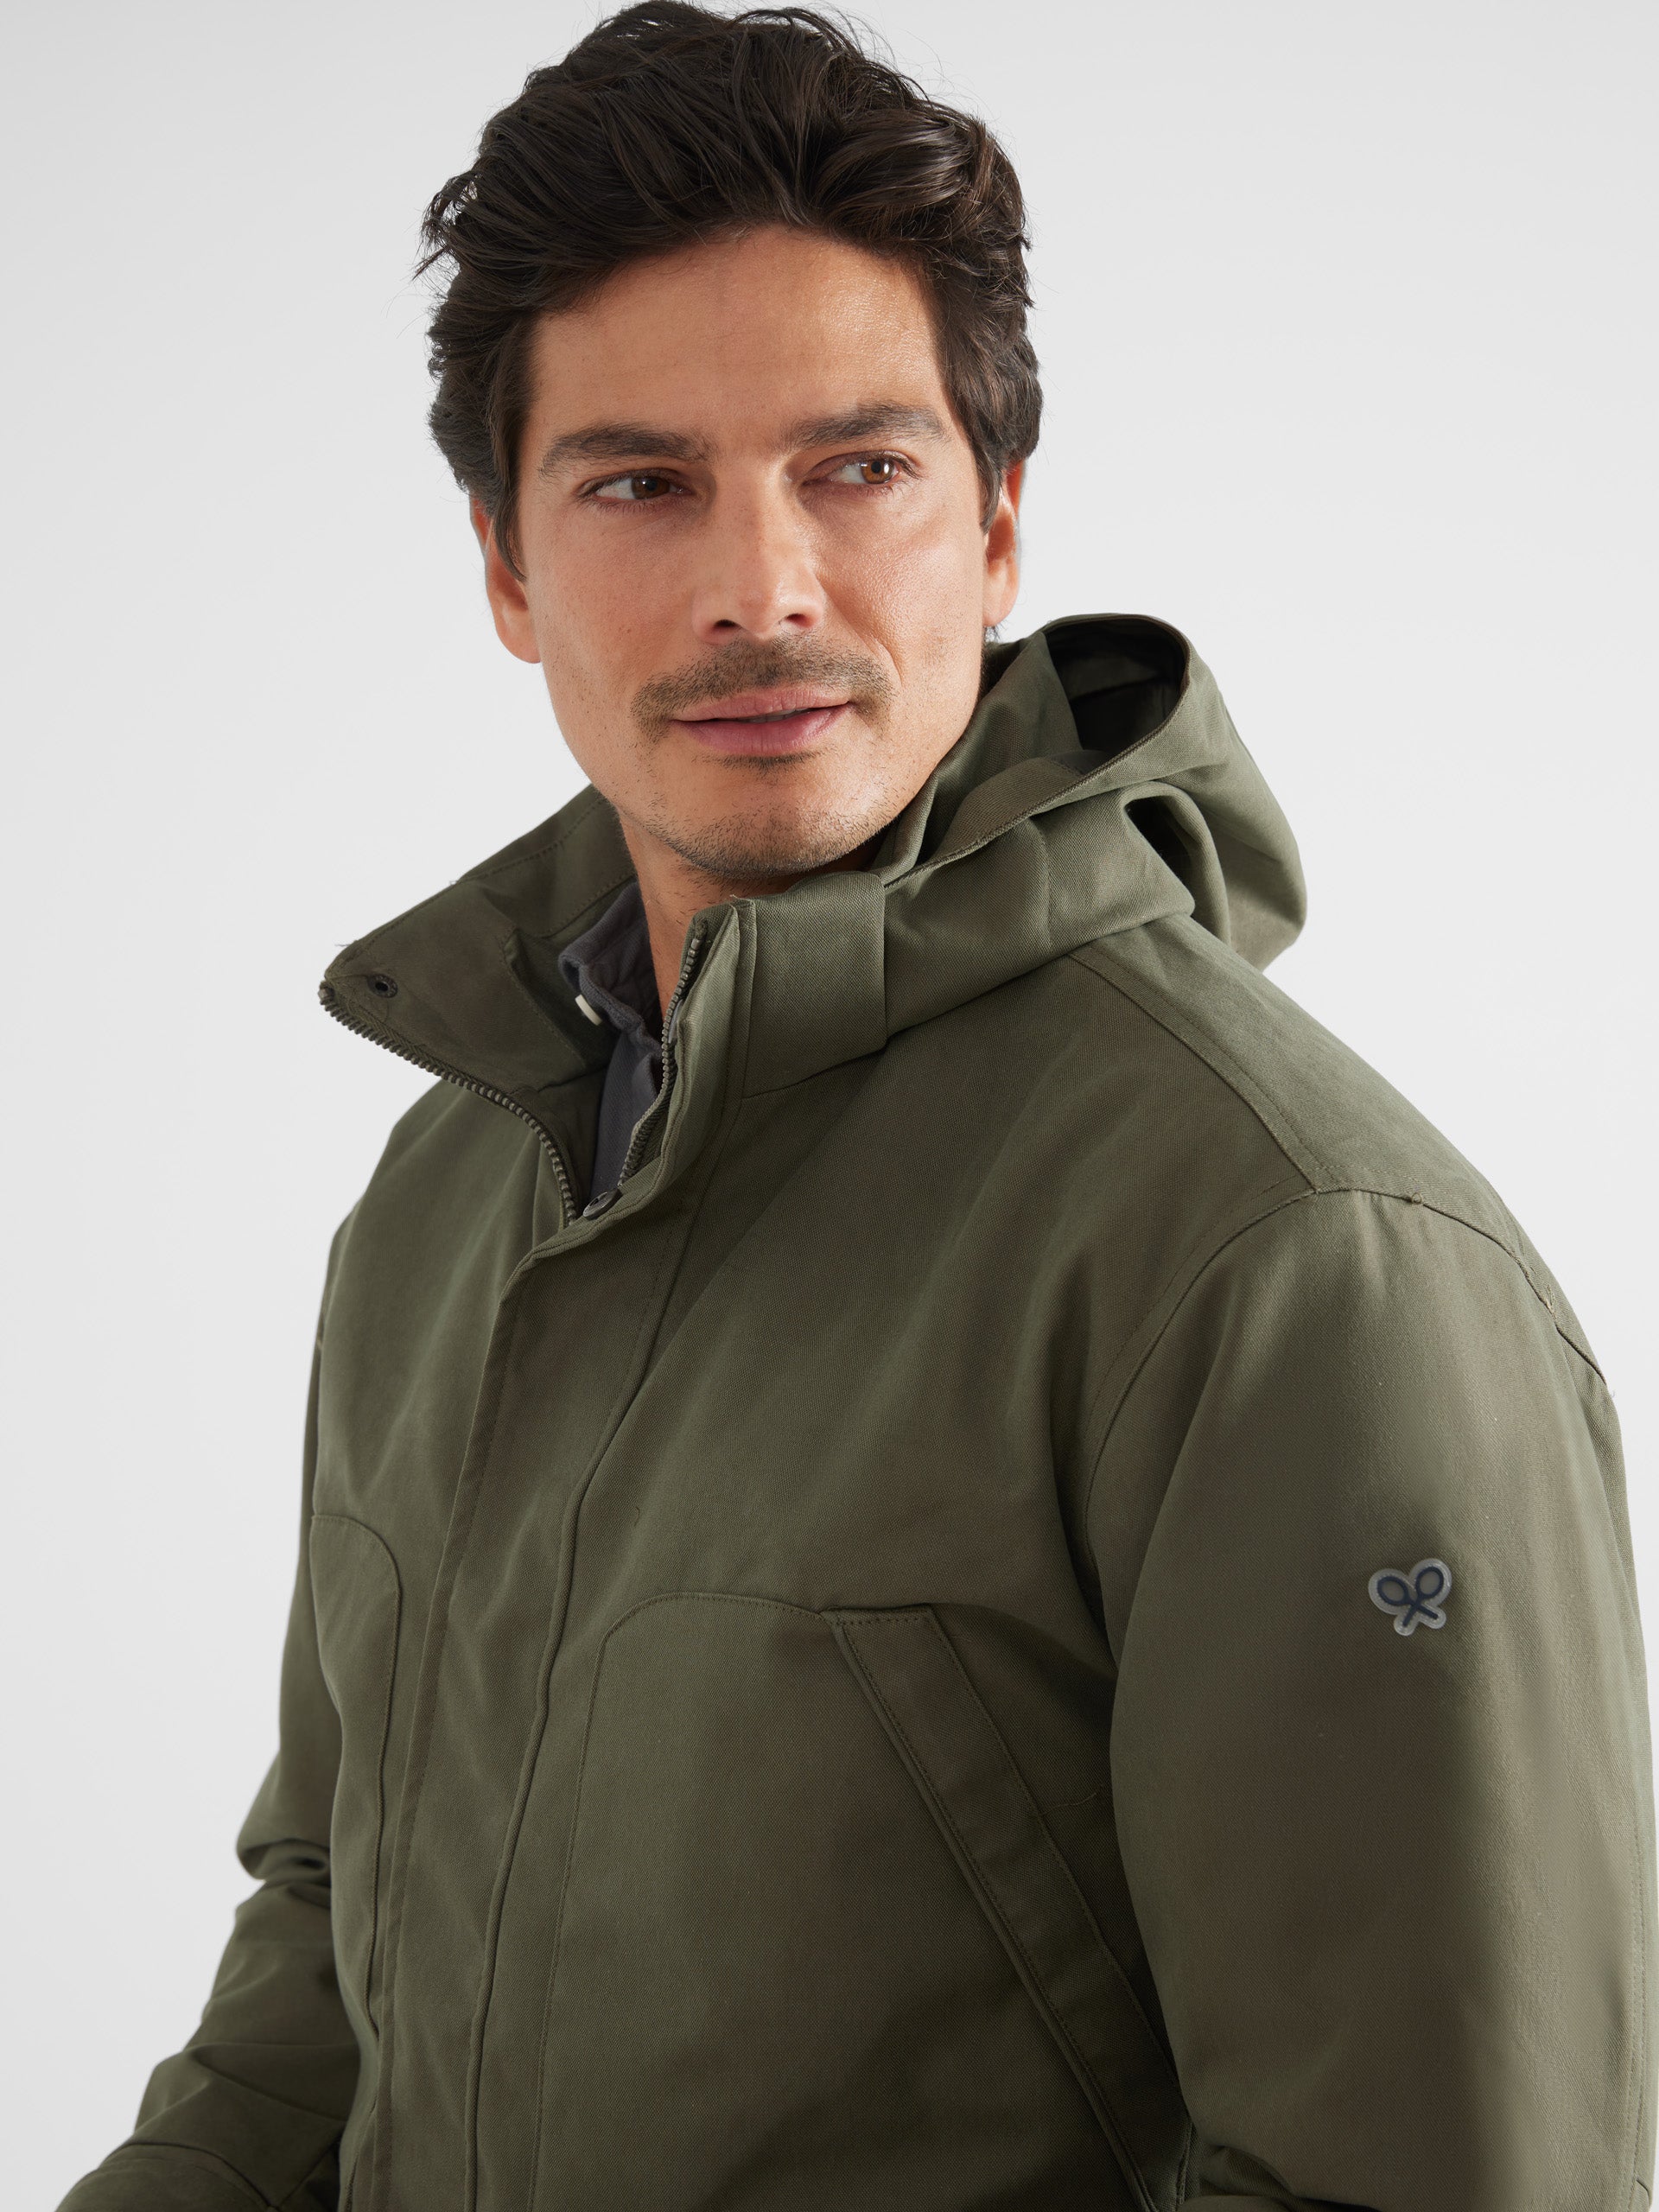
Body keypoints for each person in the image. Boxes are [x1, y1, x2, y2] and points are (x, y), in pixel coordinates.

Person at [60, 6, 1655, 2209]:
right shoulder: (457, 1191)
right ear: (507, 566)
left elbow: (1420, 2171)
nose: (761, 588)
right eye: (641, 484)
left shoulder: (1284, 1253)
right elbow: (333, 1964)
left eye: (857, 468)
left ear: (996, 531)